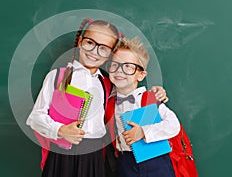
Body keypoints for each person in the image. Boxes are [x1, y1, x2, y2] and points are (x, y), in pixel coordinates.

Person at [26, 18, 168, 177]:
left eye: (103, 48)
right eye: (90, 43)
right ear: (80, 42)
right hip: (62, 155)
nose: (94, 52)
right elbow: (35, 118)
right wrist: (60, 130)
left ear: (109, 55)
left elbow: (131, 94)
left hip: (94, 157)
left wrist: (157, 91)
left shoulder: (108, 84)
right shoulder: (57, 76)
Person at [106, 37, 180, 177]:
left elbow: (173, 125)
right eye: (115, 65)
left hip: (156, 162)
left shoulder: (150, 99)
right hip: (125, 162)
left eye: (128, 66)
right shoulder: (110, 102)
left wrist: (143, 132)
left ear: (140, 75)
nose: (119, 71)